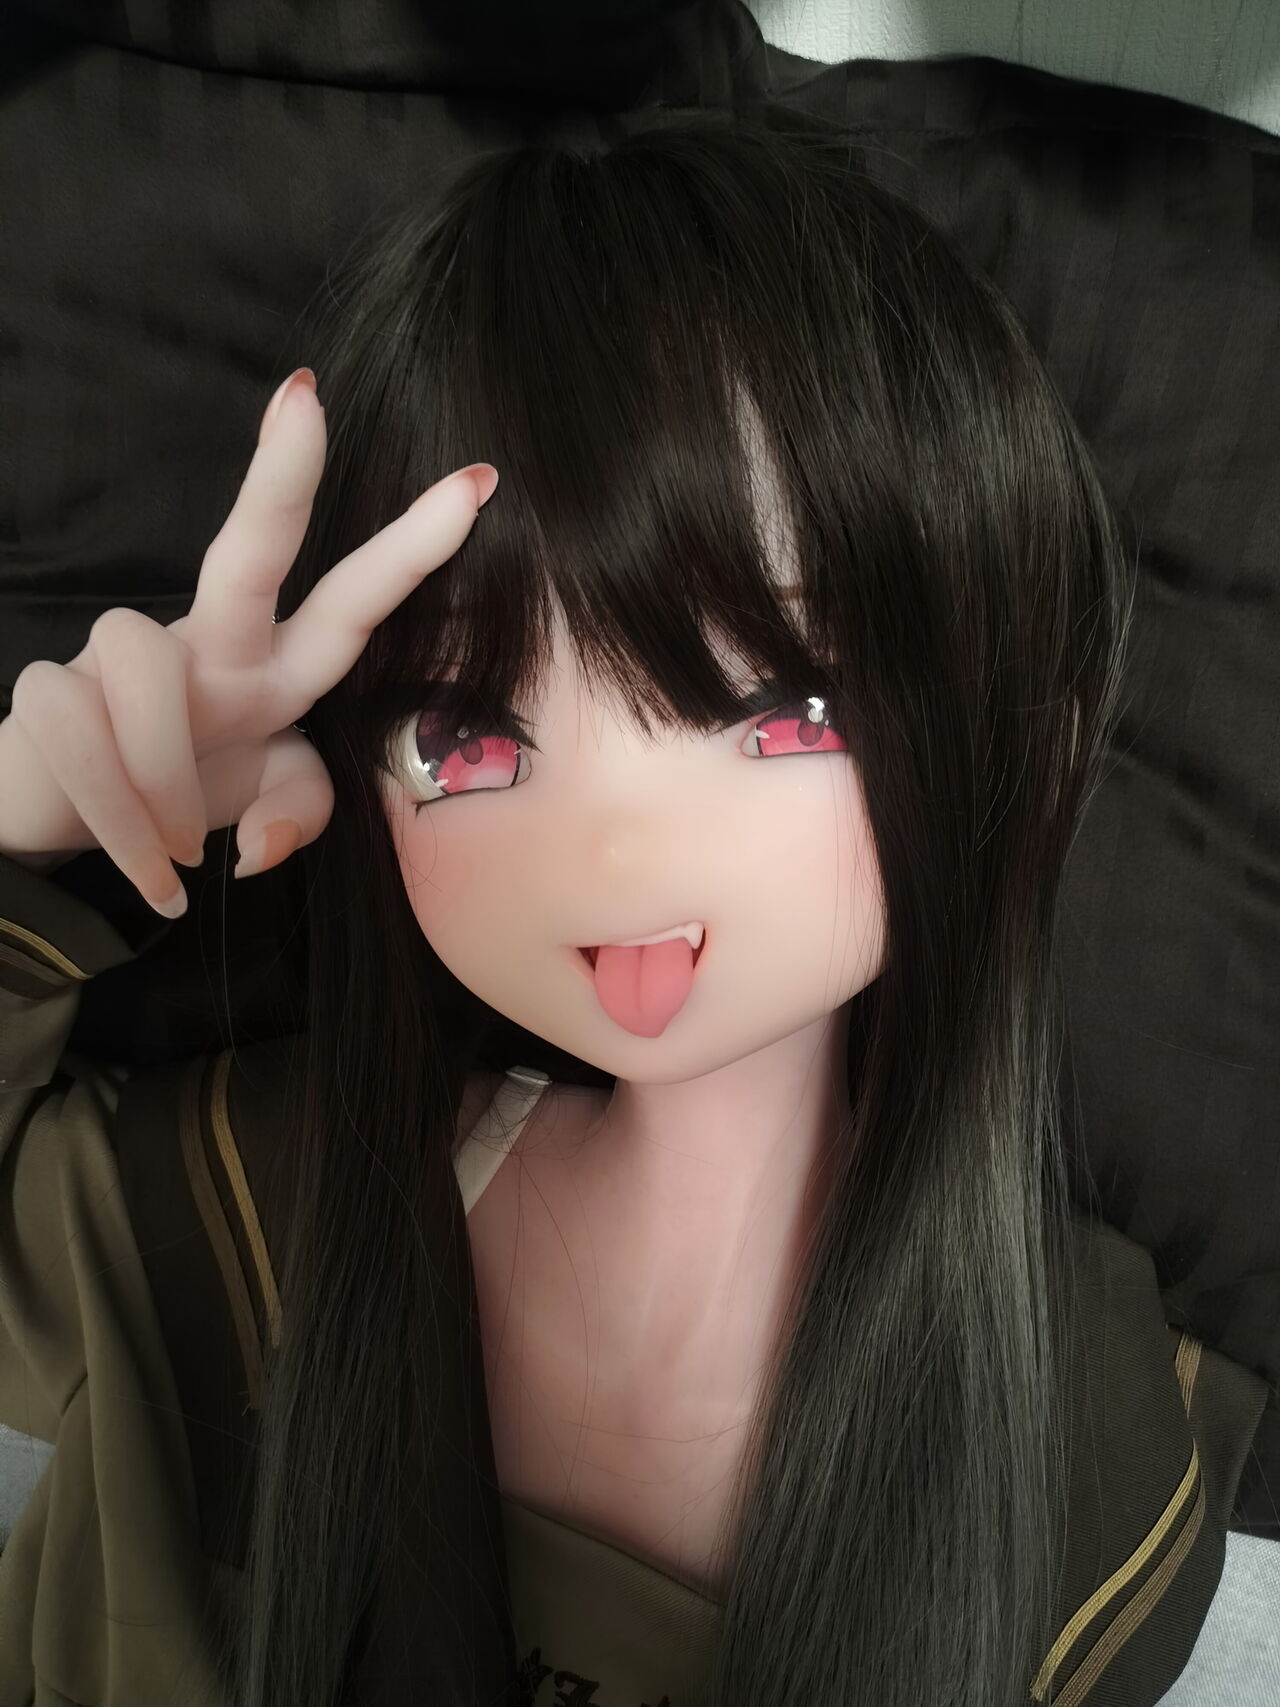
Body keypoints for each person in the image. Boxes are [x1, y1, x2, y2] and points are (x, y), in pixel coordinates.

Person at [0, 105, 1262, 1707]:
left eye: (787, 708)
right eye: (468, 734)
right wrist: (38, 846)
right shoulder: (256, 1199)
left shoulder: (1105, 1452)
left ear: (1025, 740)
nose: (613, 852)